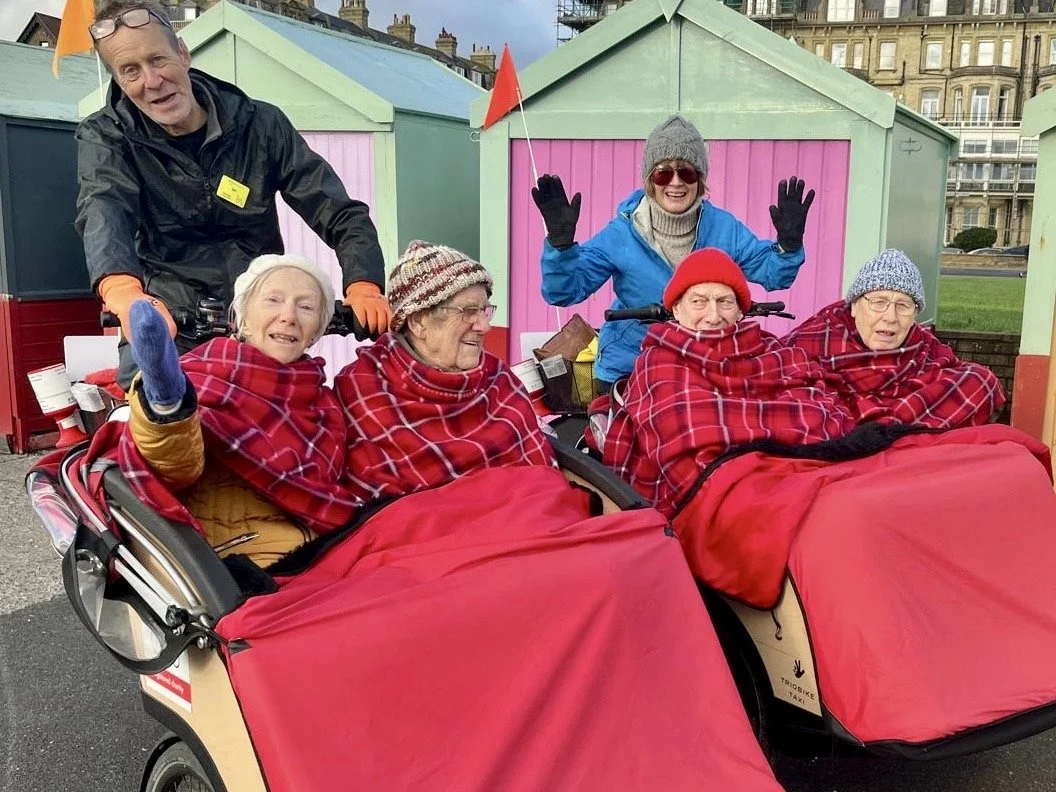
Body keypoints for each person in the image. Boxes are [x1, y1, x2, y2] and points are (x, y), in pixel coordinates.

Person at [76, 1, 390, 391]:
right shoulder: (107, 136)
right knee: (148, 415)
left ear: (183, 53)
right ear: (120, 82)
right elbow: (105, 208)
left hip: (260, 317)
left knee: (306, 414)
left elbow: (337, 210)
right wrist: (122, 291)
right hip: (169, 319)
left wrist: (364, 284)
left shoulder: (260, 124)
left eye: (158, 59)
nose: (152, 80)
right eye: (131, 71)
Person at [115, 254, 364, 569]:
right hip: (235, 562)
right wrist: (169, 411)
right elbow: (177, 469)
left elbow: (334, 486)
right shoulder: (205, 374)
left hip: (320, 553)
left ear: (316, 331)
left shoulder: (324, 404)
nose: (288, 316)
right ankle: (165, 400)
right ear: (243, 315)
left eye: (306, 307)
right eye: (273, 300)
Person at [531, 113, 815, 388]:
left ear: (700, 179)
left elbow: (773, 274)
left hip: (707, 361)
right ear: (649, 179)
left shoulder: (725, 229)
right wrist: (561, 247)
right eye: (663, 172)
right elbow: (564, 291)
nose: (676, 182)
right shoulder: (620, 234)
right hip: (631, 364)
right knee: (619, 434)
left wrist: (788, 245)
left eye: (687, 171)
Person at [604, 248, 852, 518]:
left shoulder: (773, 351)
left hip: (802, 474)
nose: (713, 316)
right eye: (699, 301)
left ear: (740, 311)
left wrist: (754, 439)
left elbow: (827, 413)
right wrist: (776, 431)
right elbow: (687, 447)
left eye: (725, 302)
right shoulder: (660, 362)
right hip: (718, 495)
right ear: (676, 307)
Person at [334, 240, 556, 500]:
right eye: (468, 311)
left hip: (529, 521)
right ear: (417, 322)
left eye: (485, 311)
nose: (484, 327)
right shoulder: (365, 387)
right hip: (429, 537)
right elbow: (381, 513)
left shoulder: (498, 378)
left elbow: (543, 478)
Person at [784, 249, 1006, 429]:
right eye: (878, 302)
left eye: (903, 306)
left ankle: (881, 430)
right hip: (836, 431)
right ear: (853, 306)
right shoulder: (814, 339)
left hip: (882, 439)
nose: (890, 317)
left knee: (980, 380)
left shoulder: (925, 348)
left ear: (915, 315)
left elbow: (977, 383)